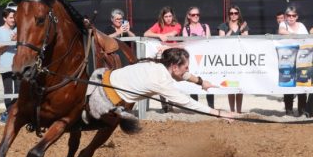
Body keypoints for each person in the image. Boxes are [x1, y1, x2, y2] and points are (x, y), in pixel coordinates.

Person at [86, 47, 234, 129]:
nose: (187, 70)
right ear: (174, 66)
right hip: (102, 102)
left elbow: (182, 74)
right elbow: (187, 102)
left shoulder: (158, 64)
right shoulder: (161, 81)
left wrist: (201, 82)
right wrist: (218, 113)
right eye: (186, 67)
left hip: (98, 78)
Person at [218, 5, 249, 113]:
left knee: (239, 85)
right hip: (228, 59)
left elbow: (246, 41)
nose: (233, 15)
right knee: (231, 85)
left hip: (240, 59)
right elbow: (221, 41)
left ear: (238, 14)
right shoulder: (223, 26)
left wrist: (241, 30)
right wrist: (232, 30)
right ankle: (232, 110)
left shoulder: (243, 25)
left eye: (235, 13)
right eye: (231, 13)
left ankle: (239, 111)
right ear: (228, 15)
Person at [181, 6, 214, 109]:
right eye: (193, 15)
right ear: (189, 16)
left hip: (205, 58)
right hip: (192, 59)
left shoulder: (205, 26)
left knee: (207, 80)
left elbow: (209, 42)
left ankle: (211, 107)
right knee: (193, 81)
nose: (195, 16)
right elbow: (186, 43)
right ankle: (195, 107)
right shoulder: (186, 29)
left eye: (197, 14)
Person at [278, 6, 308, 116]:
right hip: (288, 59)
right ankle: (289, 110)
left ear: (297, 16)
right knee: (288, 83)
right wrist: (296, 36)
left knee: (302, 83)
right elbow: (281, 31)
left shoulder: (301, 26)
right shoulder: (283, 24)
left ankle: (302, 110)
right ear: (285, 16)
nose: (291, 17)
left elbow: (307, 38)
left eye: (293, 15)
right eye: (289, 15)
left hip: (302, 58)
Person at [0, 7, 19, 122]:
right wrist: (10, 42)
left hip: (18, 65)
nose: (13, 19)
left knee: (19, 90)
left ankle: (16, 111)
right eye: (10, 17)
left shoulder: (19, 30)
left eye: (14, 17)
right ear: (5, 18)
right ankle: (9, 113)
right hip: (5, 65)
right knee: (8, 90)